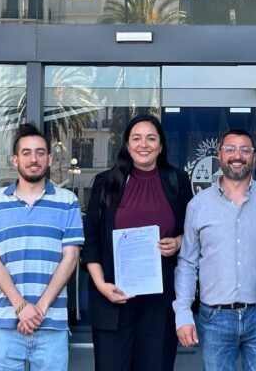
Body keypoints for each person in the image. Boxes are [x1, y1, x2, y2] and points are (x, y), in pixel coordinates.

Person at [174, 128, 256, 371]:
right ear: (219, 154)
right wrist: (182, 313)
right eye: (230, 149)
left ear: (254, 157)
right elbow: (188, 264)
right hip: (214, 318)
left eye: (245, 150)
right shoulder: (198, 205)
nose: (238, 155)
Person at [83, 114, 193, 371]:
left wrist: (178, 242)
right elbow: (91, 240)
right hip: (113, 299)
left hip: (160, 303)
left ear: (161, 145)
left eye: (151, 138)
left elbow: (194, 232)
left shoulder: (177, 181)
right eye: (137, 138)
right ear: (127, 144)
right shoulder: (106, 182)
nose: (144, 144)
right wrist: (101, 285)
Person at [0, 122, 84, 371]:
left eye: (39, 152)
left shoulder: (68, 201)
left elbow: (70, 258)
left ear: (49, 159)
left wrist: (39, 309)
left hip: (52, 324)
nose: (33, 159)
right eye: (26, 153)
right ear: (15, 160)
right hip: (5, 323)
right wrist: (22, 307)